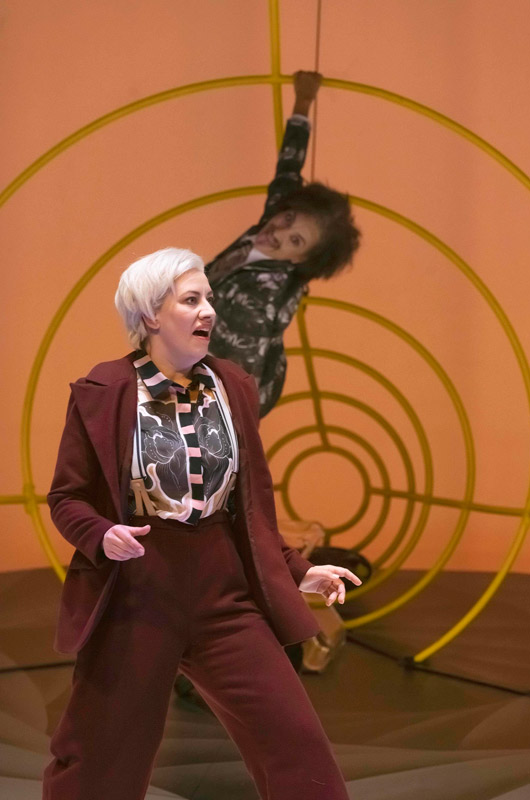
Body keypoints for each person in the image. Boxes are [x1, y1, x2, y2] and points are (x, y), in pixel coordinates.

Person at [43, 247, 362, 800]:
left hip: (223, 595)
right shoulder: (104, 392)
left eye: (208, 298)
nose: (209, 311)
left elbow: (250, 509)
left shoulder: (232, 385)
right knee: (99, 762)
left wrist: (298, 570)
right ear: (150, 314)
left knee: (298, 748)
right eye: (191, 300)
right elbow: (67, 498)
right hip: (137, 596)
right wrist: (102, 534)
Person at [206, 70, 361, 417]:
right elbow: (289, 166)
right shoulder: (274, 218)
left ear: (300, 258)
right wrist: (303, 101)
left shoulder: (255, 303)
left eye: (295, 240)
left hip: (229, 386)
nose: (277, 232)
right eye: (288, 218)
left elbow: (236, 380)